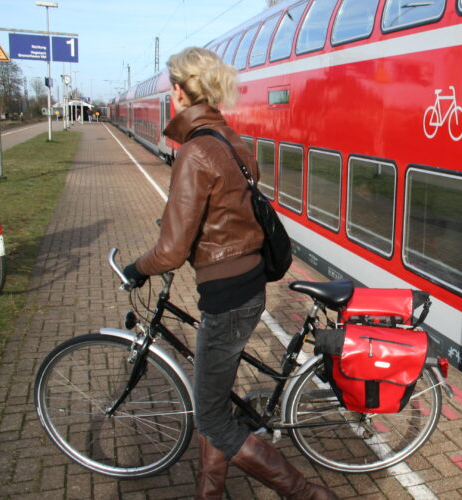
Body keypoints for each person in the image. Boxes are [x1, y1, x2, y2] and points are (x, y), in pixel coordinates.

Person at [122, 47, 336, 500]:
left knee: (212, 418)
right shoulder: (230, 141)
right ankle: (209, 490)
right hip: (248, 282)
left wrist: (136, 268)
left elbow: (172, 251)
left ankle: (304, 494)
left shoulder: (195, 152)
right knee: (215, 400)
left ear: (178, 92)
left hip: (226, 295)